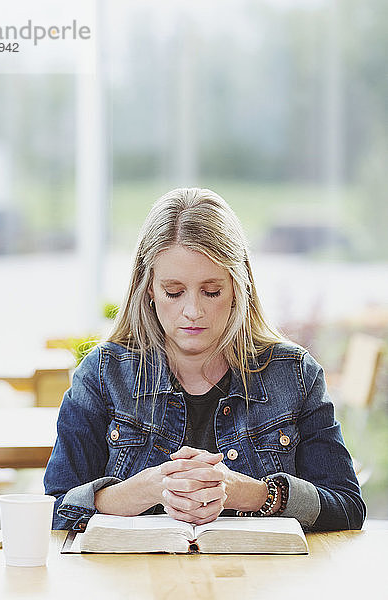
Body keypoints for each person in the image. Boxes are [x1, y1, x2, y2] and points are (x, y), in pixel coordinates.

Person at [44, 187, 366, 531]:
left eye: (211, 291)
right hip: (133, 584)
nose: (193, 311)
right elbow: (53, 510)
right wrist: (142, 491)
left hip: (259, 583)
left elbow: (347, 507)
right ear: (148, 287)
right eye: (174, 291)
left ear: (237, 288)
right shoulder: (103, 375)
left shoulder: (294, 376)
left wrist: (255, 494)